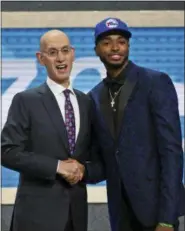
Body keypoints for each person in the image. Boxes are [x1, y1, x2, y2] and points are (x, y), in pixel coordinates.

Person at [85, 17, 185, 231]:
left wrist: (167, 217)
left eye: (121, 41)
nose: (115, 47)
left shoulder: (155, 82)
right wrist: (72, 170)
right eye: (107, 42)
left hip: (156, 214)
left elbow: (171, 152)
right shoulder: (93, 96)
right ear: (96, 50)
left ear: (128, 46)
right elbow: (105, 160)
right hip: (120, 214)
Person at [1, 29, 91, 231]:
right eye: (52, 52)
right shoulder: (26, 101)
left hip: (76, 217)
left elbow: (95, 157)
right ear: (41, 59)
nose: (60, 58)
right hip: (36, 219)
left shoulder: (86, 103)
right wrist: (57, 166)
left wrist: (84, 169)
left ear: (73, 54)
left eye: (65, 50)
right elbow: (7, 151)